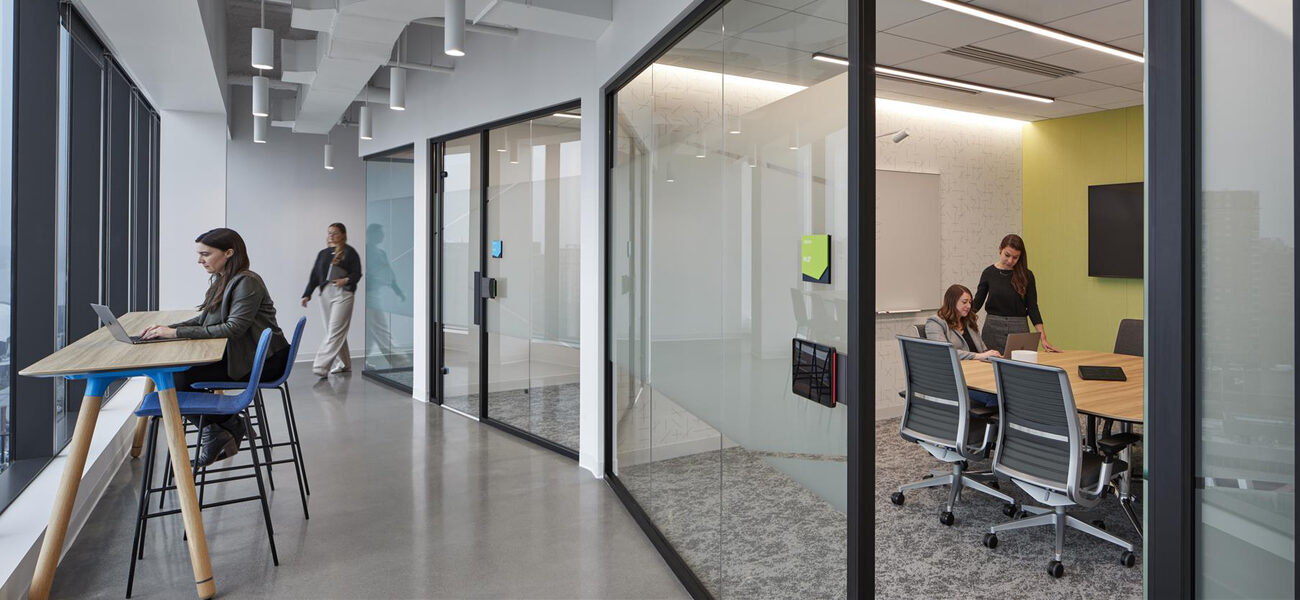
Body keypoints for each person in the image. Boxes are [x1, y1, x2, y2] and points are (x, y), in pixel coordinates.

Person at [140, 228, 290, 466]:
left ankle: (227, 427)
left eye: (206, 254)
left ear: (229, 253)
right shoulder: (222, 281)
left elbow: (233, 328)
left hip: (264, 363)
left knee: (175, 380)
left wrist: (175, 332)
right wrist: (166, 330)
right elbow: (204, 320)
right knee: (175, 378)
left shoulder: (247, 282)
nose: (200, 260)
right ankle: (226, 427)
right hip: (243, 356)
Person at [971, 233, 1060, 354]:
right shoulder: (988, 273)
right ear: (1000, 249)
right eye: (1007, 255)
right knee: (990, 366)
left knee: (1021, 367)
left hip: (1019, 329)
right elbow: (977, 303)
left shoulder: (1027, 275)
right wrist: (959, 319)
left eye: (1015, 257)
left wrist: (1043, 337)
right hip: (993, 328)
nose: (1010, 260)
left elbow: (1033, 307)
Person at [302, 222, 363, 377]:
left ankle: (320, 366)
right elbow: (315, 275)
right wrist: (307, 294)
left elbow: (357, 273)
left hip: (343, 294)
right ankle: (345, 364)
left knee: (335, 331)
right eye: (329, 233)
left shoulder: (350, 252)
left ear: (343, 234)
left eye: (335, 233)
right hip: (325, 294)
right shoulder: (323, 253)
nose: (331, 236)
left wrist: (346, 280)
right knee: (333, 331)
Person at [925, 284, 1000, 407]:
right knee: (997, 397)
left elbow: (982, 348)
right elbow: (944, 352)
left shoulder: (969, 321)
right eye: (964, 302)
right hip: (956, 379)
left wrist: (991, 355)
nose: (969, 306)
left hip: (977, 373)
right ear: (952, 301)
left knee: (1007, 391)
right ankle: (991, 426)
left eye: (970, 302)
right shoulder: (935, 322)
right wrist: (978, 356)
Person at [364, 224, 409, 369]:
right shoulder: (366, 251)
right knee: (380, 327)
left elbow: (389, 274)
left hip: (374, 294)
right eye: (380, 233)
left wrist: (398, 291)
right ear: (372, 234)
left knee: (371, 332)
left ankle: (364, 360)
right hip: (368, 296)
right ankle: (399, 360)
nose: (382, 236)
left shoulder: (381, 253)